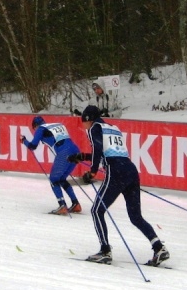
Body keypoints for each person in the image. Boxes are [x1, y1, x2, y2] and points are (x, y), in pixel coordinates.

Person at [70, 105, 170, 266]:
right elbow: (107, 151)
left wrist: (93, 171)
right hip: (130, 171)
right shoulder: (112, 127)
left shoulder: (94, 127)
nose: (83, 125)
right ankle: (159, 247)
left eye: (83, 121)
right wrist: (82, 156)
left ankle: (105, 251)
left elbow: (97, 149)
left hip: (116, 172)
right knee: (136, 217)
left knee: (97, 210)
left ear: (88, 119)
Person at [22, 115, 83, 214]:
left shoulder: (41, 129)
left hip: (64, 152)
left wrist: (24, 140)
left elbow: (33, 146)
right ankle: (75, 203)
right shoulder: (56, 125)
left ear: (35, 126)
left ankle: (62, 205)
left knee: (53, 179)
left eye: (34, 129)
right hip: (75, 150)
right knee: (62, 179)